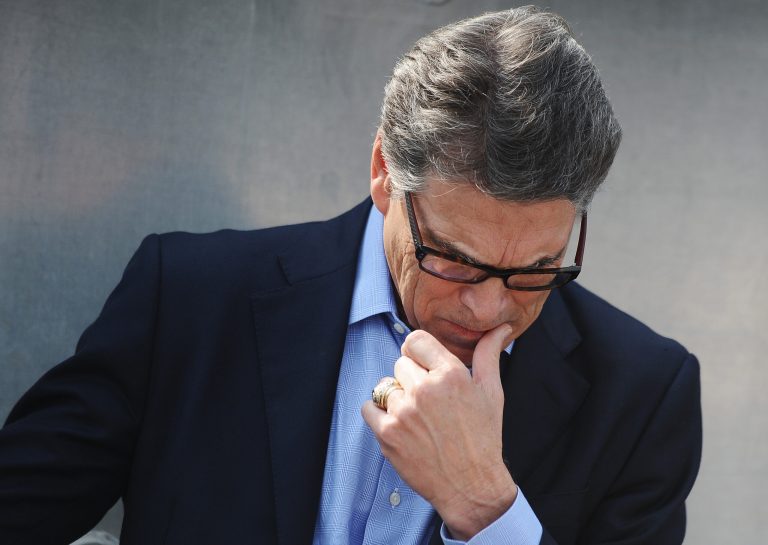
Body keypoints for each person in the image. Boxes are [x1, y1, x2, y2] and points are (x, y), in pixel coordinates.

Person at [0, 6, 701, 545]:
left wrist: (487, 509)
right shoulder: (187, 299)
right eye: (455, 257)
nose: (489, 307)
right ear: (383, 177)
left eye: (536, 270)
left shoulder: (644, 397)